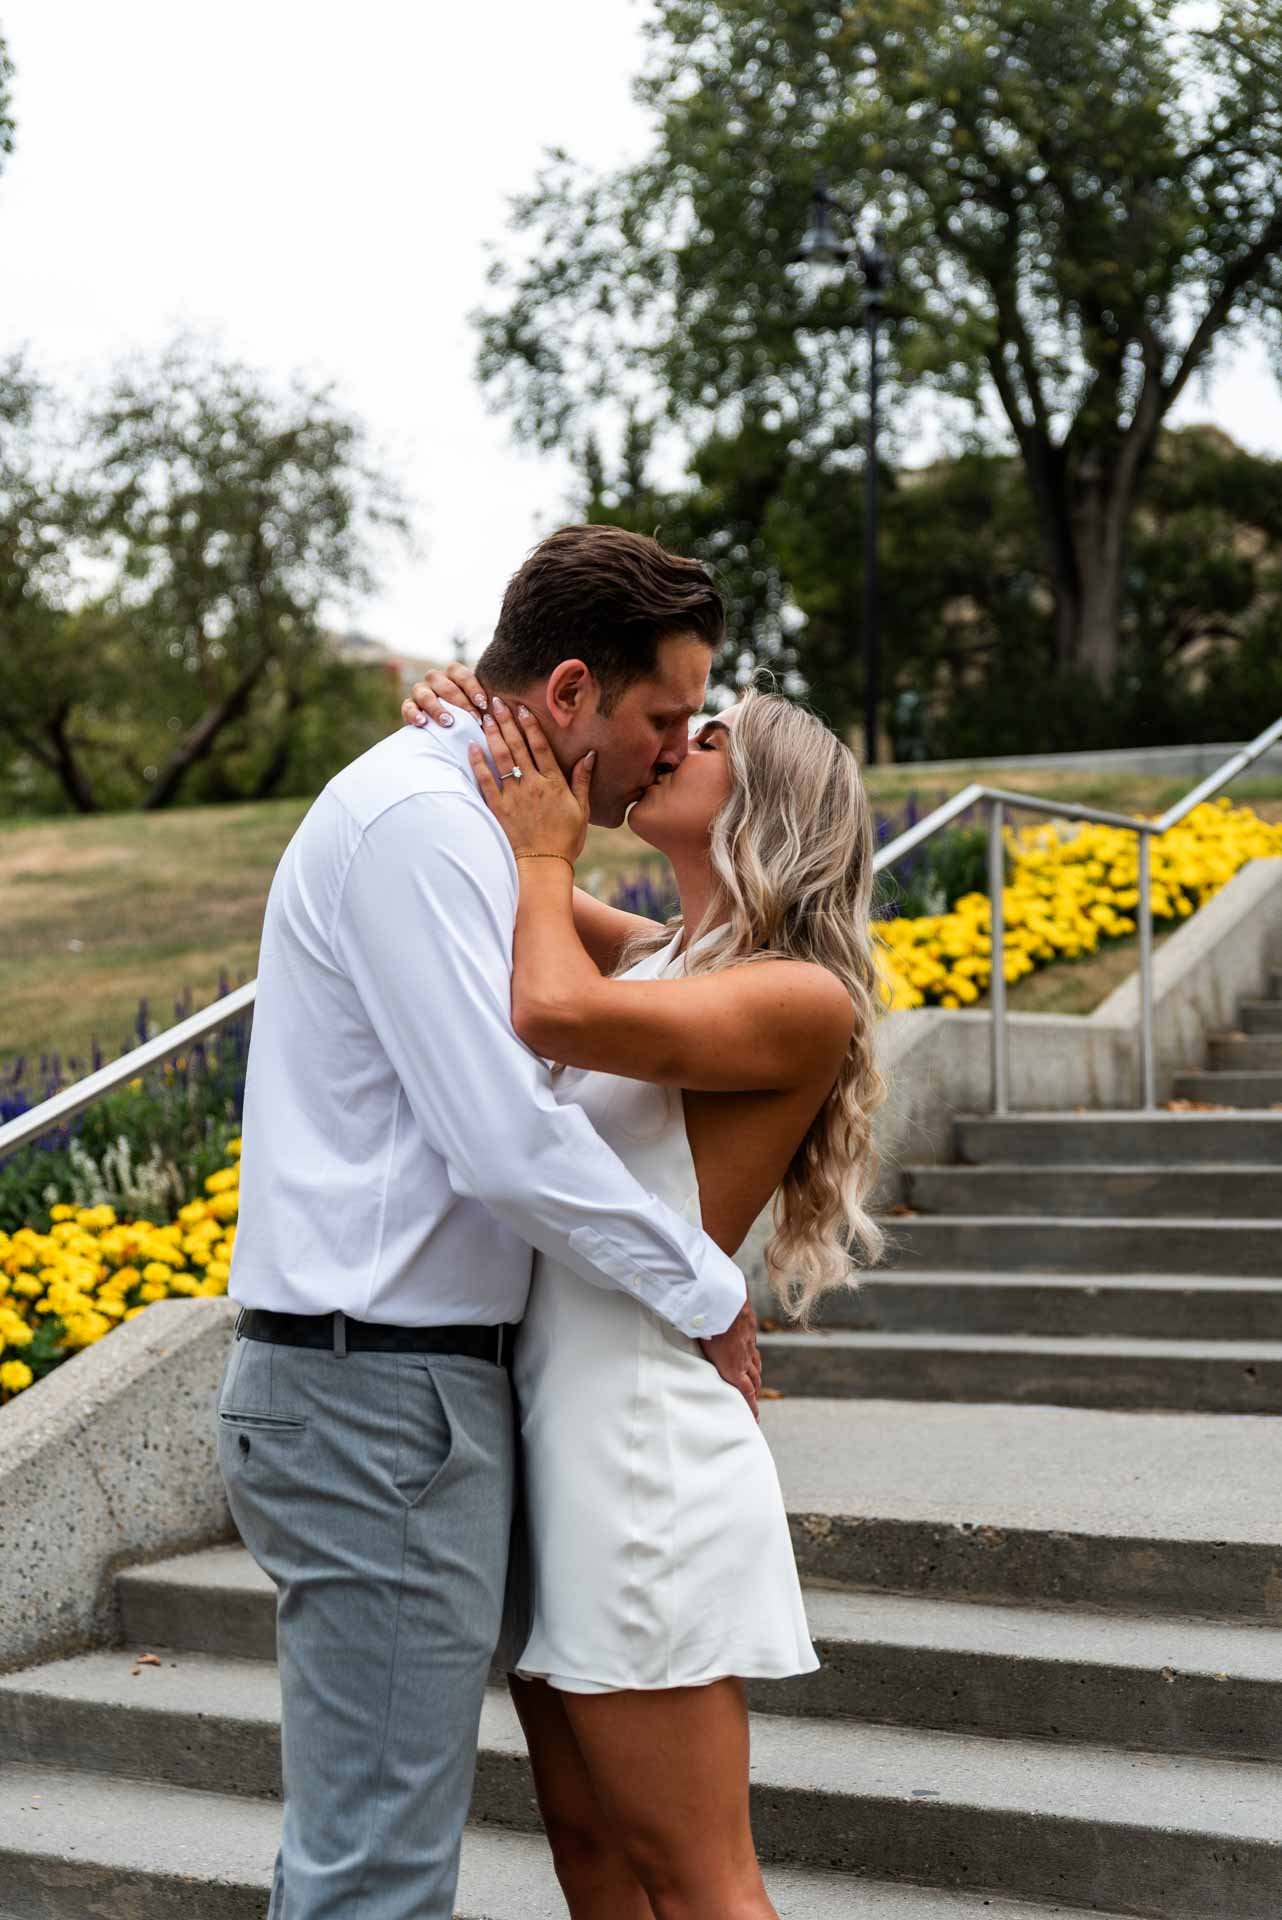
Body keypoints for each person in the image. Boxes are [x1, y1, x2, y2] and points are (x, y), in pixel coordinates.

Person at [217, 524, 762, 1920]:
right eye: (659, 717)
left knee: (388, 1854)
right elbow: (501, 1141)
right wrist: (708, 1293)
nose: (668, 747)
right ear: (570, 692)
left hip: (423, 1395)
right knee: (375, 1876)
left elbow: (642, 985)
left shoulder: (467, 819)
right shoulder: (417, 827)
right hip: (373, 1397)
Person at [403, 660, 887, 1919]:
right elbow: (519, 885)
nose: (672, 738)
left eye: (708, 733)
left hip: (641, 1458)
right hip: (555, 1438)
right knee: (589, 1852)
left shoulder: (797, 999)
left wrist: (547, 849)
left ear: (770, 800)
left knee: (699, 1878)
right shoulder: (668, 955)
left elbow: (546, 1000)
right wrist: (477, 716)